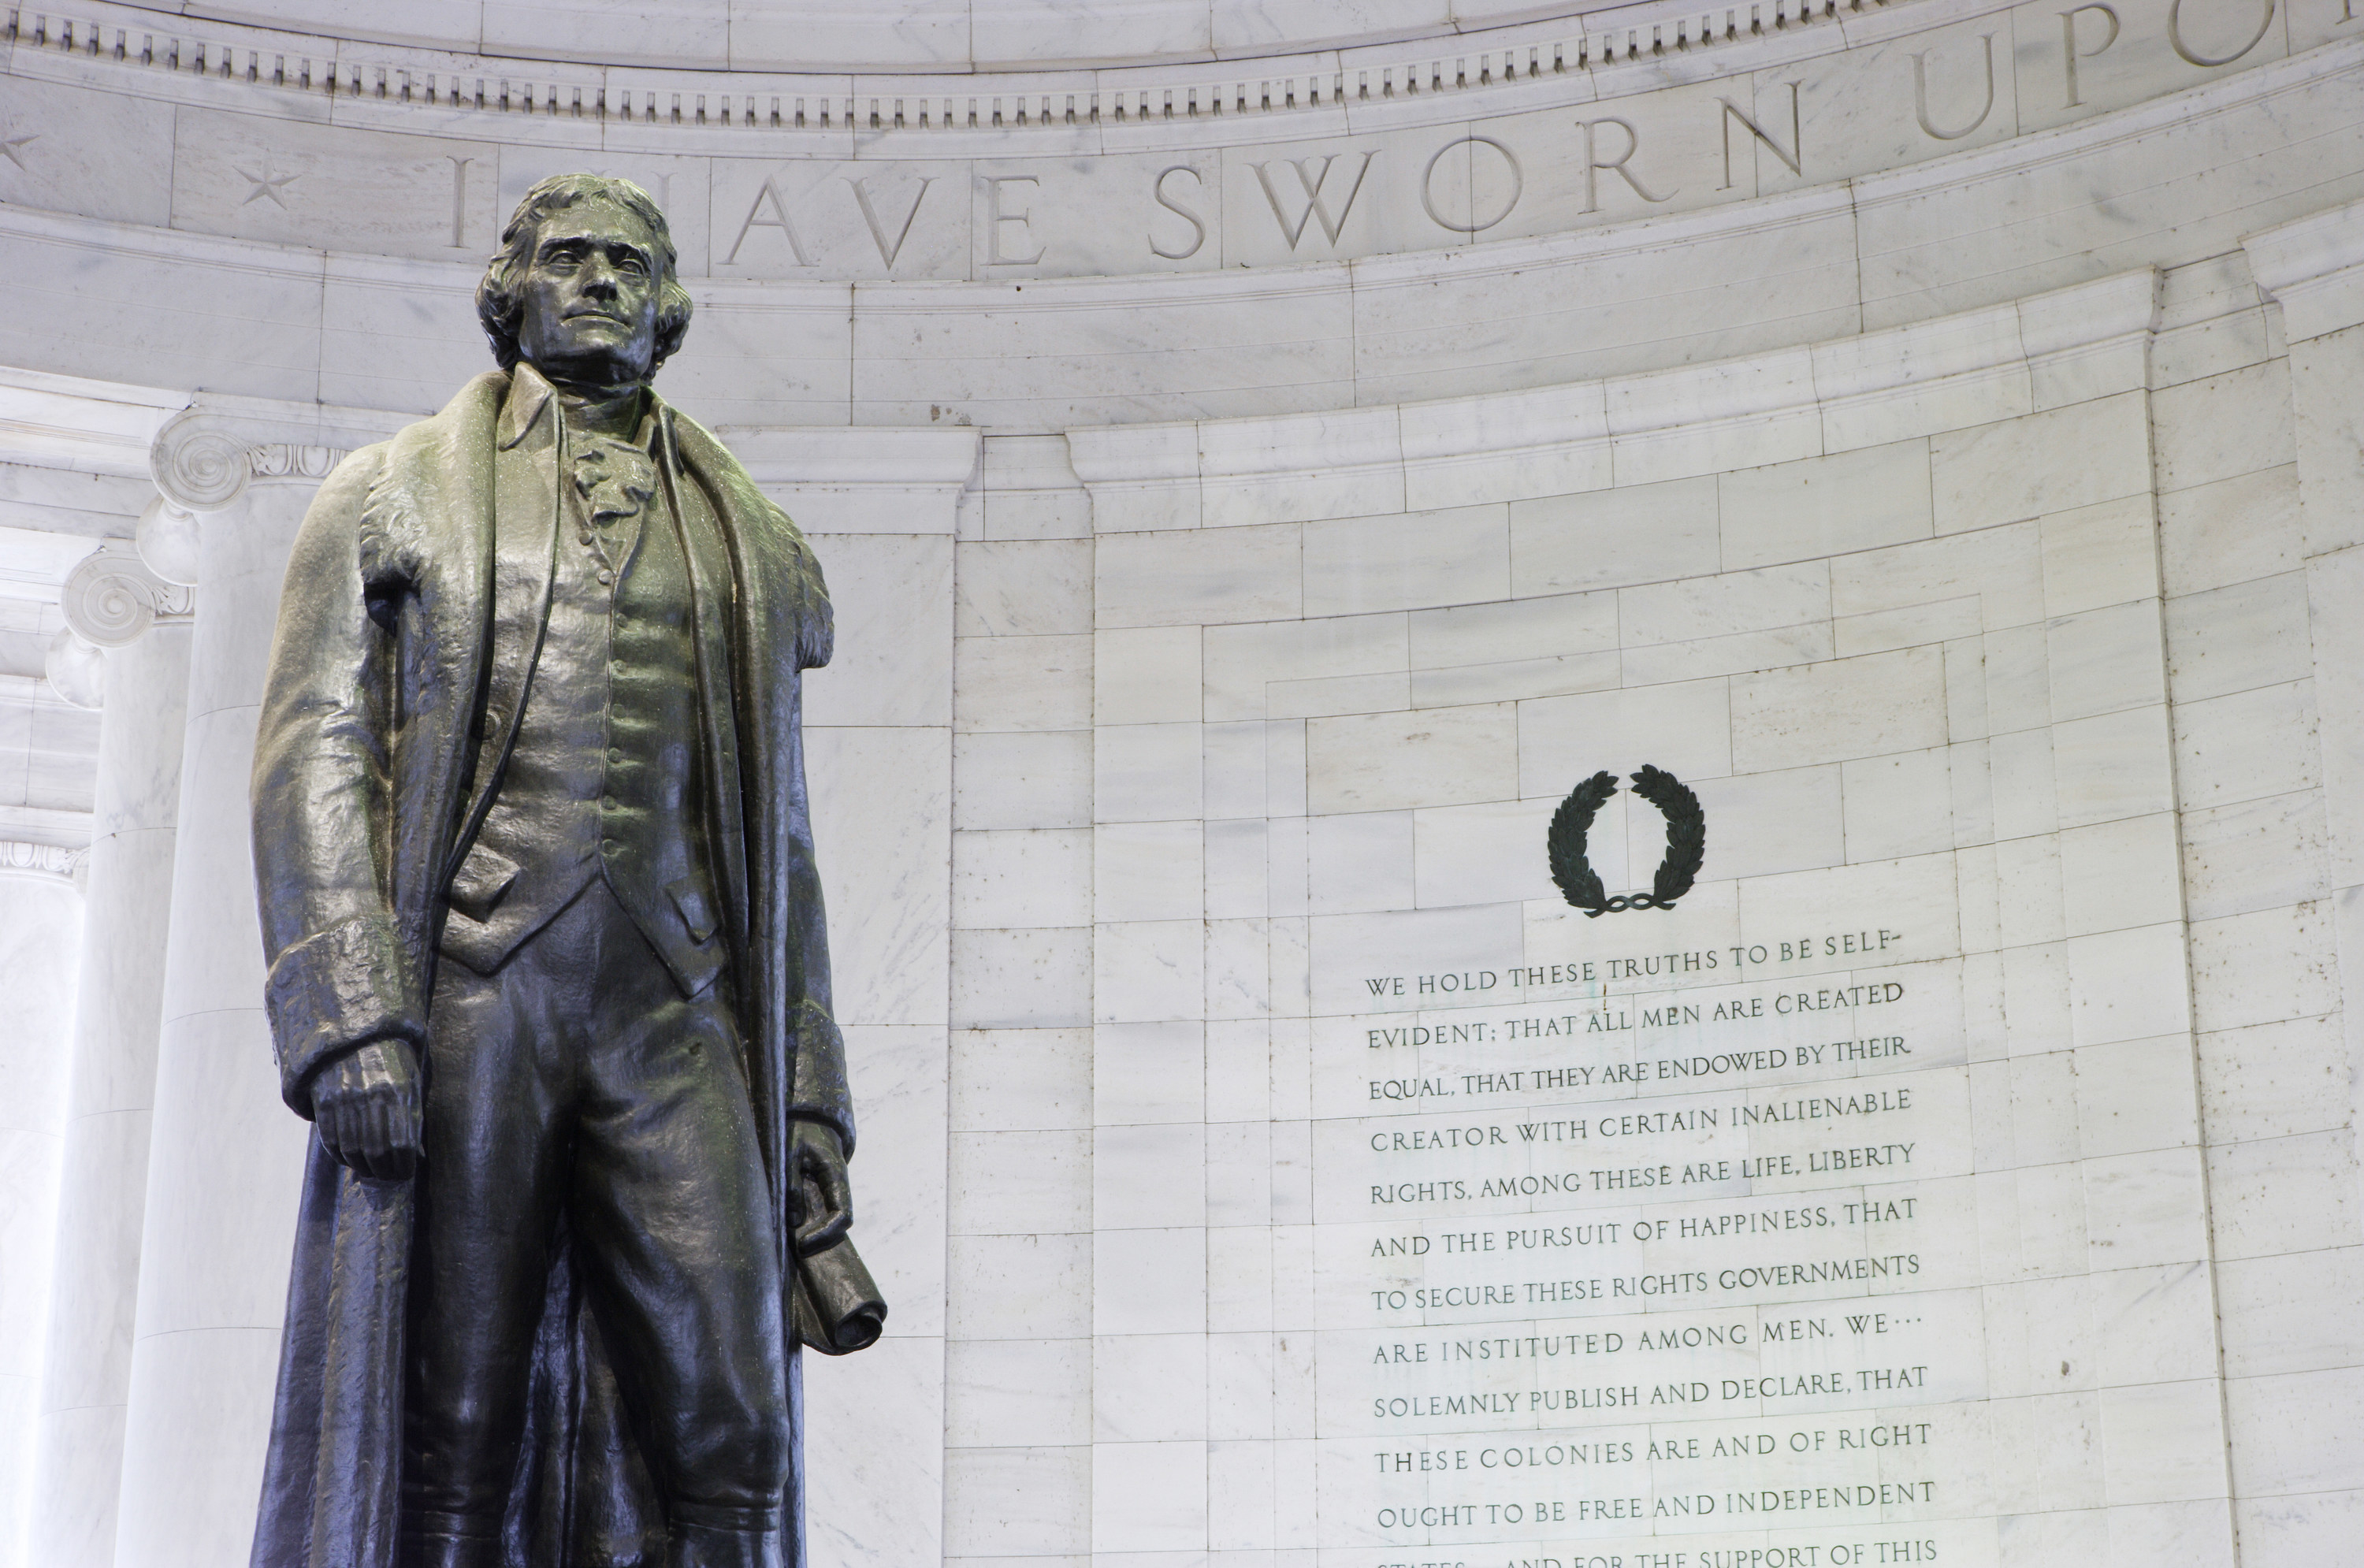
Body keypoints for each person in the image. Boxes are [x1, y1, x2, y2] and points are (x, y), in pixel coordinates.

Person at [247, 173, 861, 1568]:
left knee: (738, 1419)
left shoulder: (745, 534)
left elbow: (789, 839)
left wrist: (811, 1098)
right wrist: (351, 1021)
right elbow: (314, 753)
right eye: (568, 257)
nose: (599, 280)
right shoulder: (392, 492)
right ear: (509, 290)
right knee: (452, 1416)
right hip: (475, 994)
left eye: (631, 263)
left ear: (671, 308)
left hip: (681, 1010)